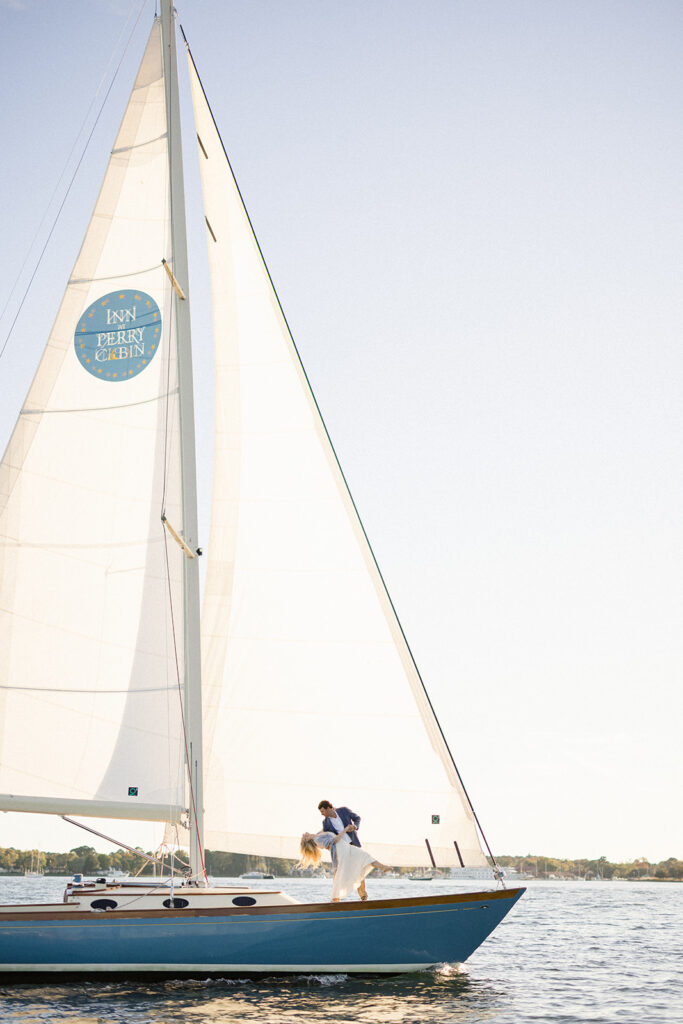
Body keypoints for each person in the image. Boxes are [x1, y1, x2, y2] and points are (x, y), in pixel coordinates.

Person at [300, 825, 389, 901]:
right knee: (343, 875)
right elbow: (335, 840)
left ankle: (382, 869)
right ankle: (336, 899)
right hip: (341, 851)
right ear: (308, 840)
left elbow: (328, 826)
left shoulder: (318, 834)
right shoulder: (317, 840)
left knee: (364, 857)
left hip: (346, 847)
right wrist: (345, 829)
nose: (303, 834)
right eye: (304, 837)